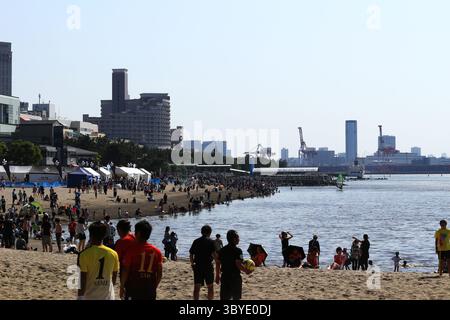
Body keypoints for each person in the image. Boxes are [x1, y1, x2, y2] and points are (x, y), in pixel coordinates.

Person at [120, 221, 163, 300]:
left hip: (133, 289)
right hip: (150, 290)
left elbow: (125, 270)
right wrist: (154, 286)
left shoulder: (131, 251)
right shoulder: (157, 252)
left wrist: (122, 286)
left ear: (138, 233)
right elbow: (159, 273)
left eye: (135, 231)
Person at [77, 221, 119, 300]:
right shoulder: (113, 254)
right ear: (104, 236)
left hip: (90, 296)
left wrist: (80, 297)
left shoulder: (84, 254)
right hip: (108, 296)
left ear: (90, 235)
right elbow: (114, 277)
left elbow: (82, 279)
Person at [216, 230, 252, 300]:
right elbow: (238, 264)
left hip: (225, 276)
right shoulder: (238, 250)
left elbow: (218, 263)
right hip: (235, 277)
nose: (239, 239)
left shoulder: (222, 250)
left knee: (224, 298)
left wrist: (217, 275)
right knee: (236, 298)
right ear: (234, 239)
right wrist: (246, 270)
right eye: (238, 238)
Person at [189, 225, 217, 300]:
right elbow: (214, 255)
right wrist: (217, 261)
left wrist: (192, 264)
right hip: (208, 266)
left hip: (198, 266)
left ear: (201, 232)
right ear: (210, 232)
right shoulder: (211, 242)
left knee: (197, 287)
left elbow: (191, 254)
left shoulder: (196, 241)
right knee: (210, 287)